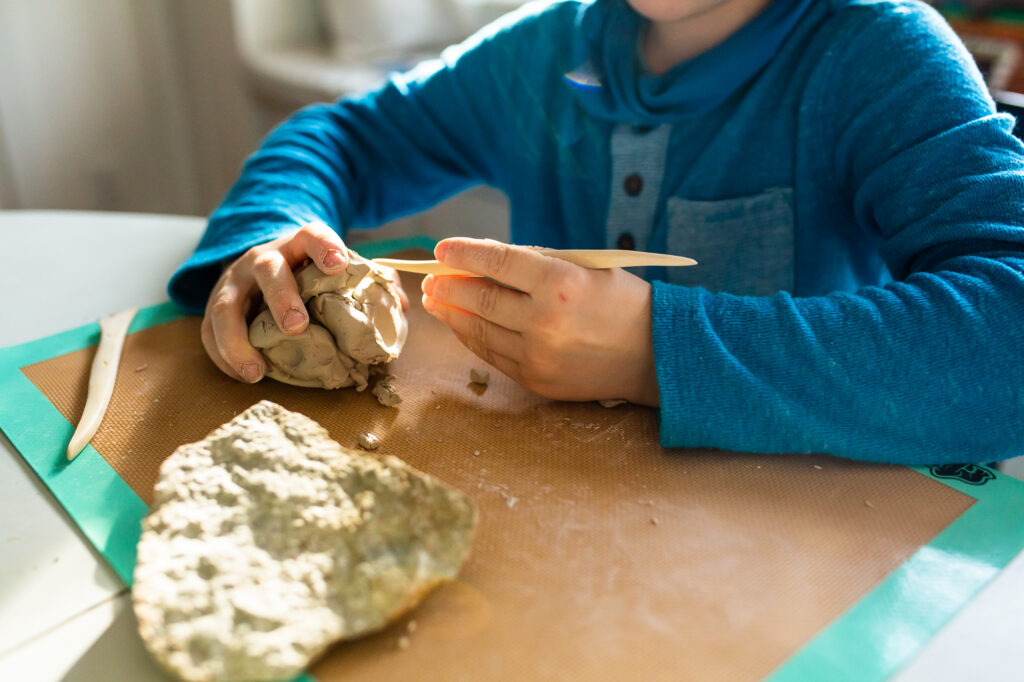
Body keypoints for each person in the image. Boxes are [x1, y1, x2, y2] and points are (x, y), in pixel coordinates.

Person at [169, 0, 1024, 465]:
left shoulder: (878, 54)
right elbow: (345, 138)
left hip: (813, 558)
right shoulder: (540, 53)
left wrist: (657, 350)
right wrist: (271, 231)